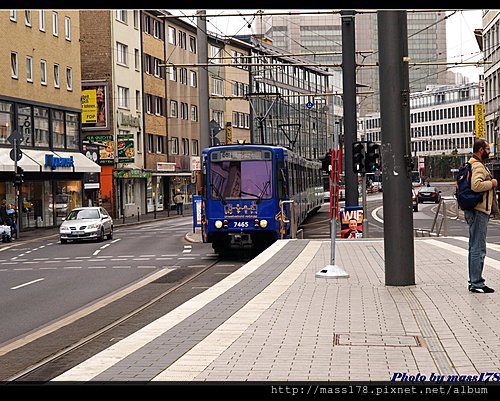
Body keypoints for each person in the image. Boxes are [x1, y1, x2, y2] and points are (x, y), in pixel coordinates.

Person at [465, 138, 498, 293]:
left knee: (474, 246)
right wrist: (492, 183)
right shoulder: (478, 165)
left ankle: (474, 280)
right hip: (479, 211)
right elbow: (476, 185)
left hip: (474, 210)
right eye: (487, 149)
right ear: (480, 150)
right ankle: (477, 283)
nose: (489, 152)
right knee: (478, 247)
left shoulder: (472, 163)